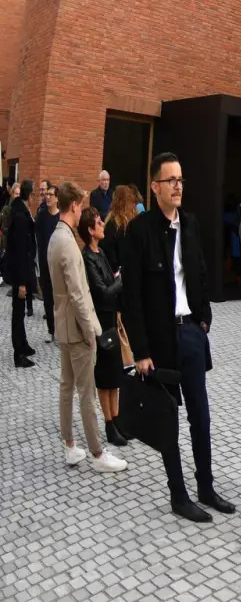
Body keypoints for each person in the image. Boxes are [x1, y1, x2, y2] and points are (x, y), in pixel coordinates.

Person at [122, 152, 235, 522]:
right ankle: (178, 494)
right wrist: (140, 351)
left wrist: (204, 318)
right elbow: (132, 297)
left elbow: (198, 269)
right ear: (155, 187)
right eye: (171, 180)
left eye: (181, 179)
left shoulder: (190, 223)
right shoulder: (140, 230)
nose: (178, 186)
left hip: (190, 334)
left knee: (200, 416)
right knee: (168, 418)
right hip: (159, 341)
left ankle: (205, 486)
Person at [50, 182, 128, 474]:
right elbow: (78, 294)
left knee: (67, 386)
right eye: (81, 206)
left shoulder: (57, 238)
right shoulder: (68, 243)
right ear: (73, 206)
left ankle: (70, 445)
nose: (82, 210)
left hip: (64, 325)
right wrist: (93, 330)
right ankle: (97, 452)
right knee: (85, 392)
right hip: (78, 329)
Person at [80, 206, 130, 447]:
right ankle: (109, 424)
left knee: (115, 373)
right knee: (105, 376)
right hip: (100, 322)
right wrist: (121, 280)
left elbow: (110, 282)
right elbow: (103, 292)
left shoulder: (100, 253)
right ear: (90, 230)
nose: (102, 225)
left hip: (111, 319)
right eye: (99, 222)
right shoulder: (87, 258)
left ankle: (117, 420)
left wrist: (117, 279)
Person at [7, 179, 37, 368]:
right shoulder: (19, 216)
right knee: (18, 313)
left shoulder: (21, 210)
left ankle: (23, 344)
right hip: (20, 273)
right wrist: (21, 283)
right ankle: (18, 354)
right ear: (31, 196)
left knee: (20, 312)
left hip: (24, 270)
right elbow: (19, 252)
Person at [36, 182, 60, 340]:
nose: (48, 197)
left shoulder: (61, 217)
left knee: (59, 299)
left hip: (57, 264)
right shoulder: (42, 215)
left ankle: (60, 331)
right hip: (44, 263)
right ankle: (52, 331)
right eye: (47, 194)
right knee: (48, 298)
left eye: (51, 195)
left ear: (57, 198)